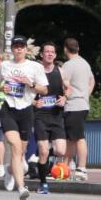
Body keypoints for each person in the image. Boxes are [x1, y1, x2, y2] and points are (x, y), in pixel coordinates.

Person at [0, 36, 48, 200]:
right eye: (16, 46)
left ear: (26, 49)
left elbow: (44, 90)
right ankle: (21, 188)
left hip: (26, 111)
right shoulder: (5, 65)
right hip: (8, 110)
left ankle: (10, 170)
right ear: (12, 49)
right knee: (16, 147)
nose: (18, 49)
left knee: (21, 152)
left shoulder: (35, 67)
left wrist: (30, 84)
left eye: (21, 46)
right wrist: (1, 87)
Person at [33, 41, 69, 190]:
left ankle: (41, 154)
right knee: (43, 151)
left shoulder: (60, 71)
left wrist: (65, 97)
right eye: (47, 51)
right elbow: (24, 93)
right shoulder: (35, 71)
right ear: (42, 54)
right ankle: (43, 183)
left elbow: (69, 88)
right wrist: (34, 103)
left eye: (52, 52)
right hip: (40, 116)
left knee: (60, 151)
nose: (49, 54)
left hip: (56, 115)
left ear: (55, 55)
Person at [61, 38, 94, 182]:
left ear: (65, 49)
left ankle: (81, 167)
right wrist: (85, 94)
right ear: (78, 48)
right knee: (71, 138)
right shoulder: (85, 64)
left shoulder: (68, 65)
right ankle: (65, 167)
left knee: (78, 137)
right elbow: (92, 81)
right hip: (83, 104)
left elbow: (64, 84)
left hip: (73, 105)